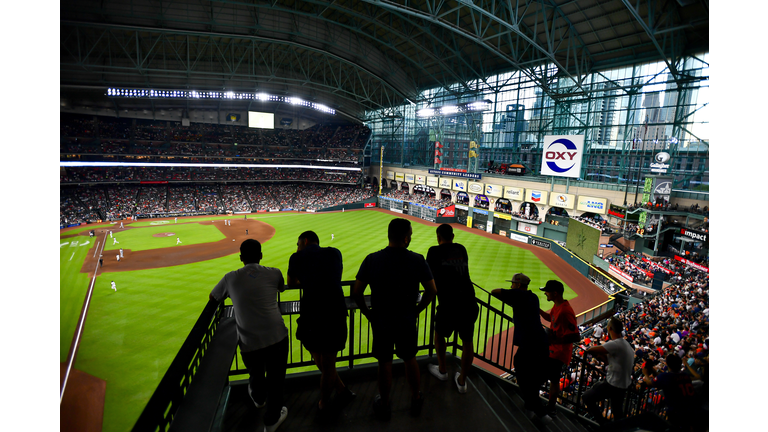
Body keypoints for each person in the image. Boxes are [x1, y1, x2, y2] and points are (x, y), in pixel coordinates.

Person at [352, 218, 437, 421]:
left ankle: (386, 403)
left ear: (389, 235)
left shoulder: (372, 259)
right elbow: (432, 291)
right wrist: (416, 311)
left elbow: (356, 292)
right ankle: (416, 398)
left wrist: (368, 313)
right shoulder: (417, 259)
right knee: (410, 359)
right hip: (406, 318)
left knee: (385, 362)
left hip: (381, 319)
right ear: (406, 238)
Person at [209, 239, 289, 432]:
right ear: (261, 256)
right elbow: (281, 288)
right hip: (277, 335)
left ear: (241, 258)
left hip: (248, 340)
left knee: (256, 372)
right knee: (276, 379)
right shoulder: (275, 272)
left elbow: (213, 297)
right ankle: (271, 420)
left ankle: (259, 400)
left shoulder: (230, 278)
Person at [287, 231, 354, 419]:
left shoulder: (297, 257)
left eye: (298, 243)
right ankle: (341, 390)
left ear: (305, 241)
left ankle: (324, 403)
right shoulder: (335, 253)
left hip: (312, 314)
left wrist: (307, 280)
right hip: (335, 311)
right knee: (327, 360)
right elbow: (335, 277)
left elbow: (291, 283)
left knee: (324, 360)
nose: (297, 247)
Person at [491, 274, 552, 424]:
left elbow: (494, 292)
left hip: (530, 343)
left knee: (523, 374)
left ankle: (542, 413)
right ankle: (530, 409)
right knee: (533, 377)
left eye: (513, 284)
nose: (511, 286)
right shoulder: (534, 297)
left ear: (518, 285)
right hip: (542, 341)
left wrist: (512, 294)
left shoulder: (518, 294)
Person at [425, 224, 478, 394]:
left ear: (438, 237)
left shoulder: (434, 251)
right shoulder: (461, 248)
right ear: (453, 235)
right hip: (469, 301)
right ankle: (462, 381)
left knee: (439, 335)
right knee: (467, 341)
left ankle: (442, 370)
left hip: (448, 302)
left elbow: (428, 277)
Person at [538, 280, 579, 416]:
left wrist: (554, 339)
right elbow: (550, 318)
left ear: (555, 293)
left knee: (552, 380)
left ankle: (550, 408)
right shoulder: (557, 306)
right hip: (553, 349)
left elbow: (576, 337)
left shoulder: (566, 311)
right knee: (551, 378)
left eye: (547, 291)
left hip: (559, 352)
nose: (545, 293)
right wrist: (536, 309)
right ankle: (549, 407)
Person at [583, 317, 635, 424]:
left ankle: (604, 425)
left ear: (610, 328)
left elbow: (590, 349)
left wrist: (599, 352)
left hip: (614, 384)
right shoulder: (626, 344)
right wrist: (602, 356)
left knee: (586, 397)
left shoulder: (616, 344)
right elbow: (609, 362)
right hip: (623, 384)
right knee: (617, 413)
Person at [643, 353, 699, 431]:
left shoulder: (666, 377)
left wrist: (645, 373)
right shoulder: (685, 375)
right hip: (690, 407)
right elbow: (664, 378)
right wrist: (654, 371)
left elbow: (650, 382)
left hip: (676, 410)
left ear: (668, 364)